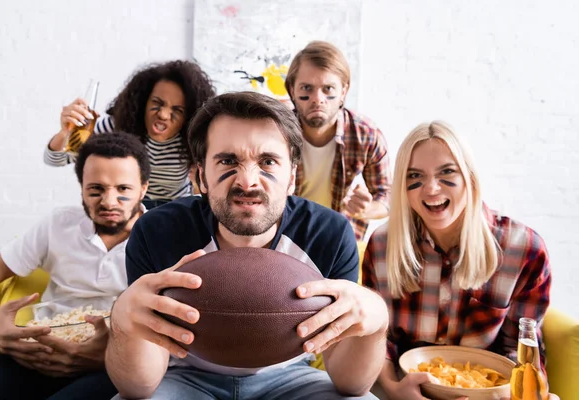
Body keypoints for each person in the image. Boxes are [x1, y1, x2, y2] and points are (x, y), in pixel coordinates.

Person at [105, 92, 390, 400]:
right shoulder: (157, 232)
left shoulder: (328, 234)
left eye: (267, 161)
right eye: (228, 160)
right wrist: (121, 322)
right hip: (185, 376)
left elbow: (350, 385)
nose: (248, 181)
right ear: (201, 174)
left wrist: (376, 324)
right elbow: (137, 387)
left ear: (292, 176)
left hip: (292, 377)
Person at [362, 121, 556, 400]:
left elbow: (519, 351)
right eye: (415, 175)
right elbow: (379, 338)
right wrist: (394, 390)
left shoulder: (525, 249)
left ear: (470, 177)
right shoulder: (382, 245)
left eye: (447, 173)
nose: (431, 189)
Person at [0, 133, 150, 400]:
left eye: (123, 190)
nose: (108, 201)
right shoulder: (59, 224)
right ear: (81, 187)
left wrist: (112, 353)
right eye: (96, 189)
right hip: (40, 354)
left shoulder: (159, 237)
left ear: (143, 189)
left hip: (111, 365)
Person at [44, 60, 215, 208]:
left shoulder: (195, 138)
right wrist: (66, 132)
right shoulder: (117, 127)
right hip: (129, 211)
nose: (163, 114)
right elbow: (55, 160)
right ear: (143, 101)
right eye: (157, 103)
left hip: (176, 209)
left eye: (177, 110)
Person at [285, 41, 392, 241]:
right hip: (286, 238)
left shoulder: (366, 135)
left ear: (343, 91)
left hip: (338, 239)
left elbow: (388, 195)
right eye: (307, 88)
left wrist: (366, 209)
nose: (318, 99)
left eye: (328, 89)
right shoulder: (276, 133)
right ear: (292, 90)